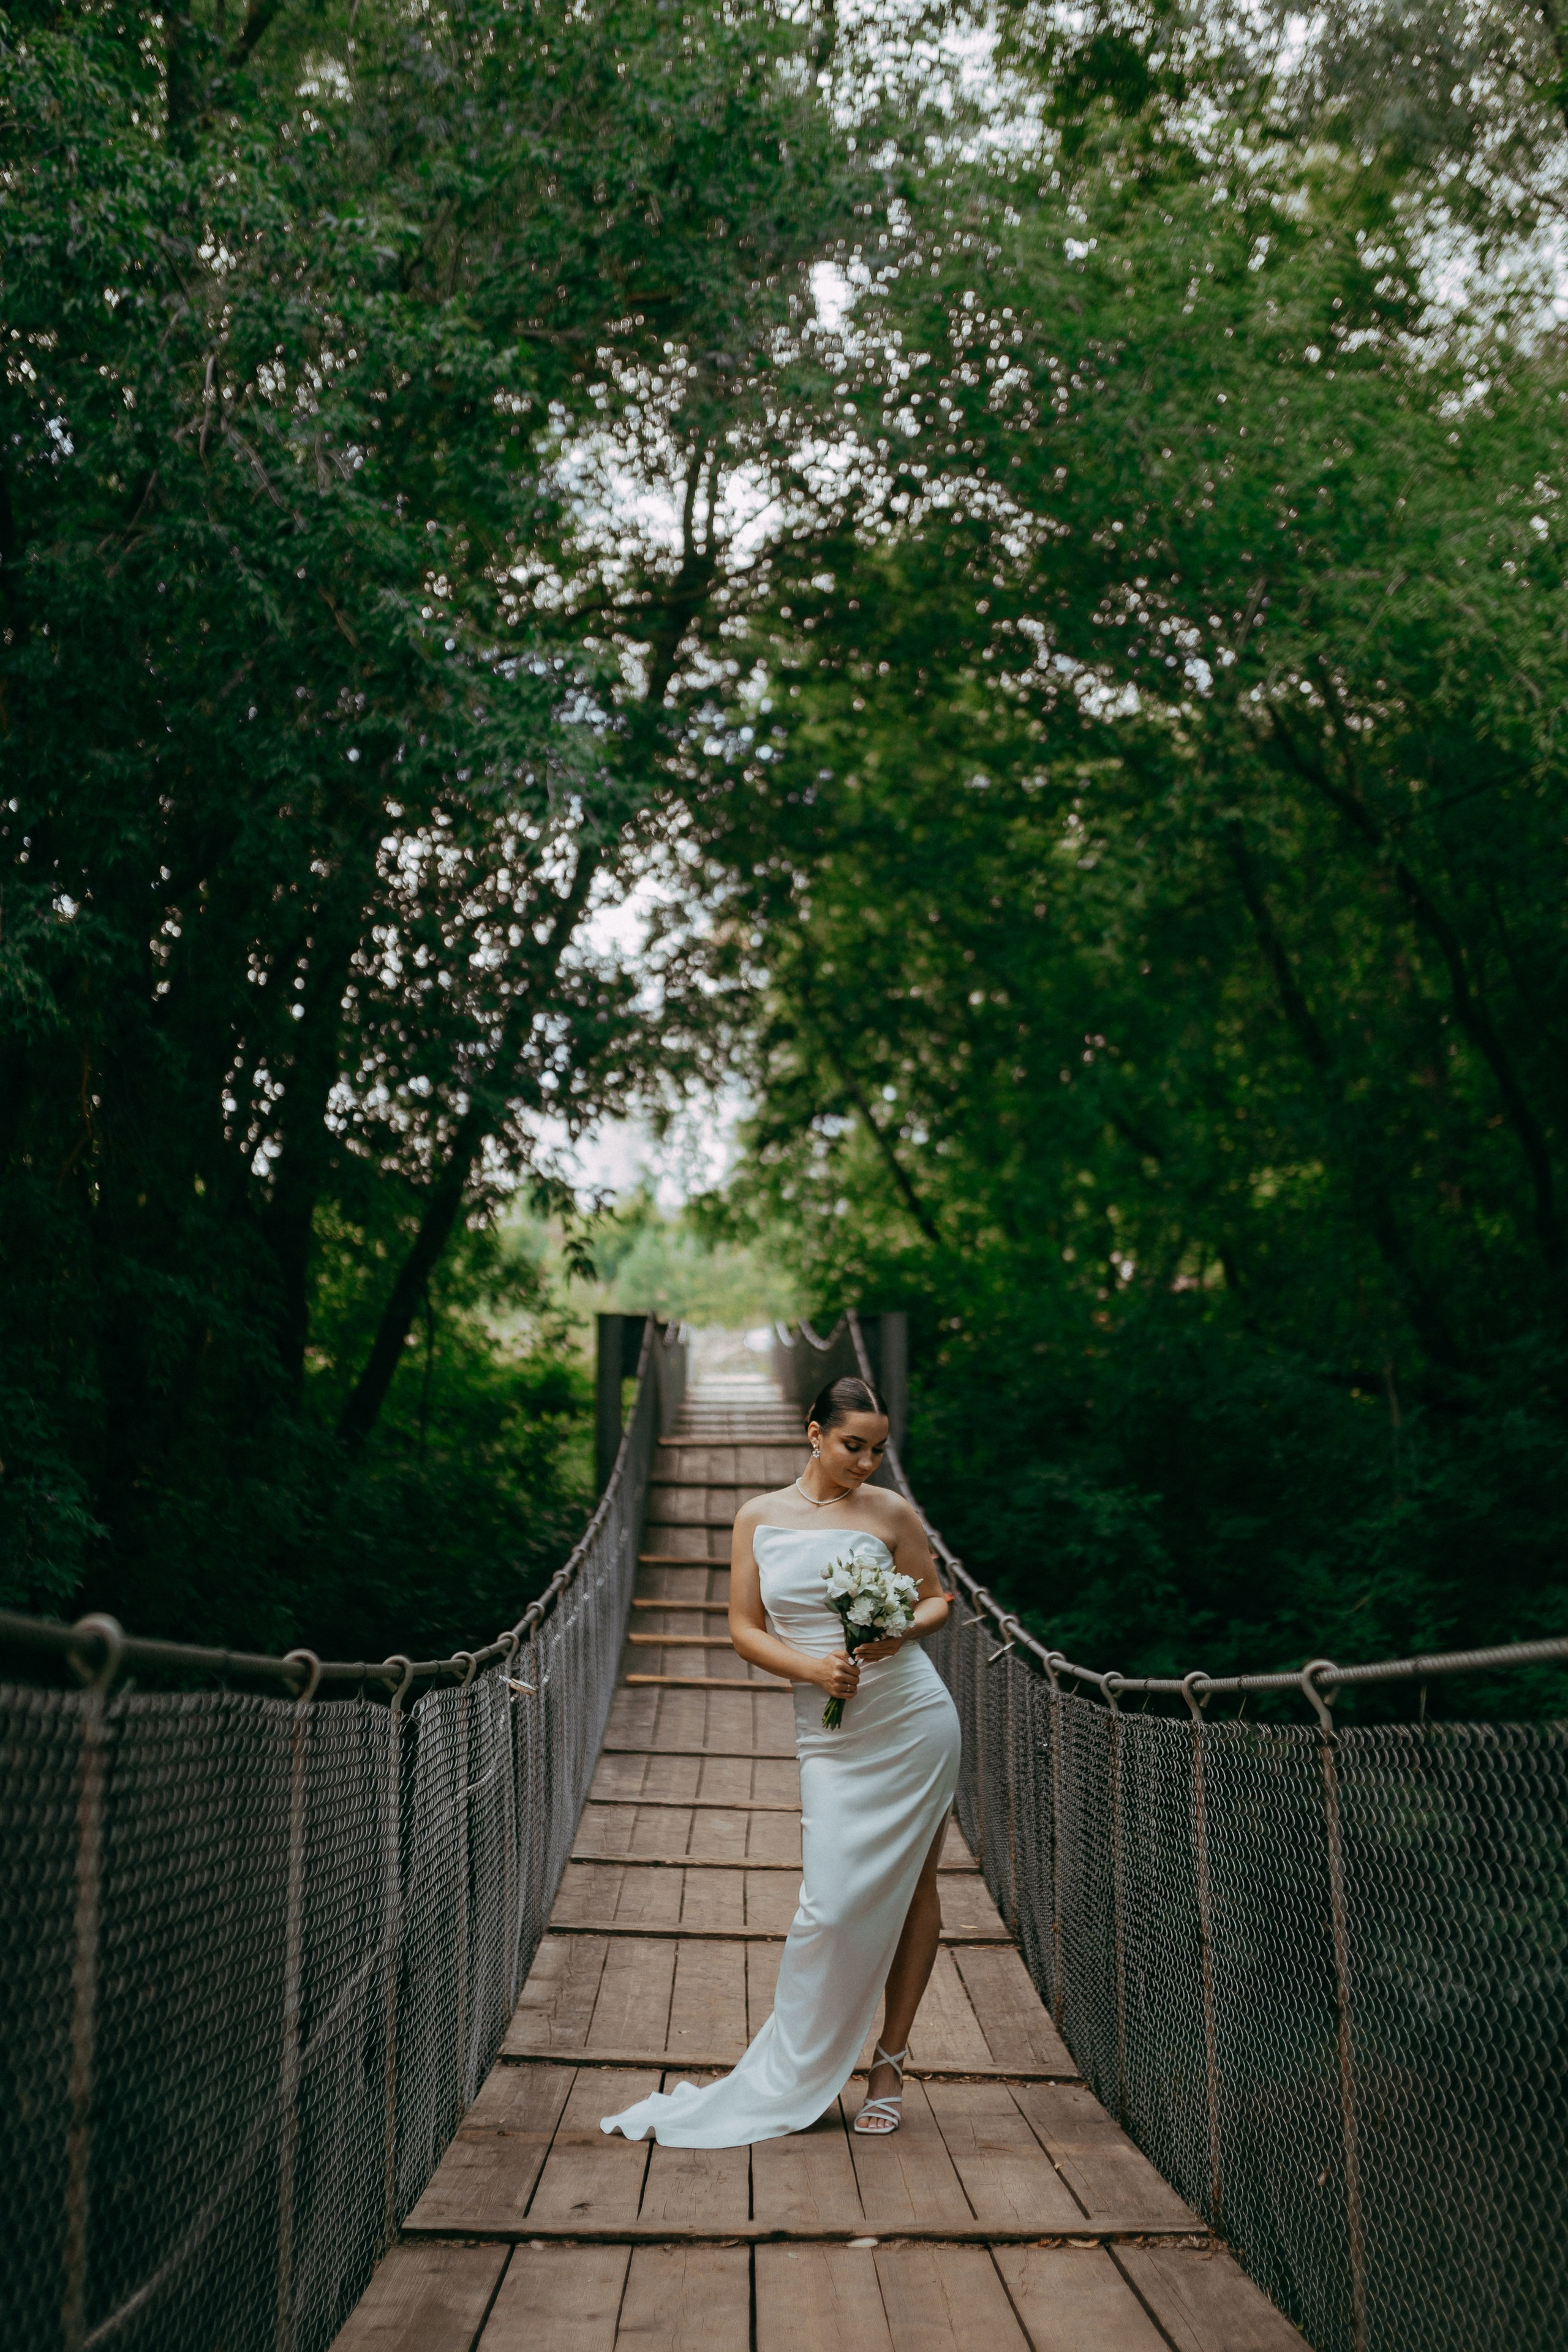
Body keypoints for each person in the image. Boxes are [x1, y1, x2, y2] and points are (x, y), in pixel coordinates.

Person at [600, 1374, 960, 2147]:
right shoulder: (758, 1516)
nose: (866, 1462)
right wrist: (813, 1671)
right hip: (830, 1729)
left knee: (917, 1885)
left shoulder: (889, 1512)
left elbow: (938, 1598)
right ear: (813, 1433)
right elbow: (743, 1626)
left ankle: (889, 2065)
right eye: (851, 1446)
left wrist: (902, 1631)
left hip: (911, 1716)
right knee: (827, 1906)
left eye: (877, 1450)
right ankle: (795, 2070)